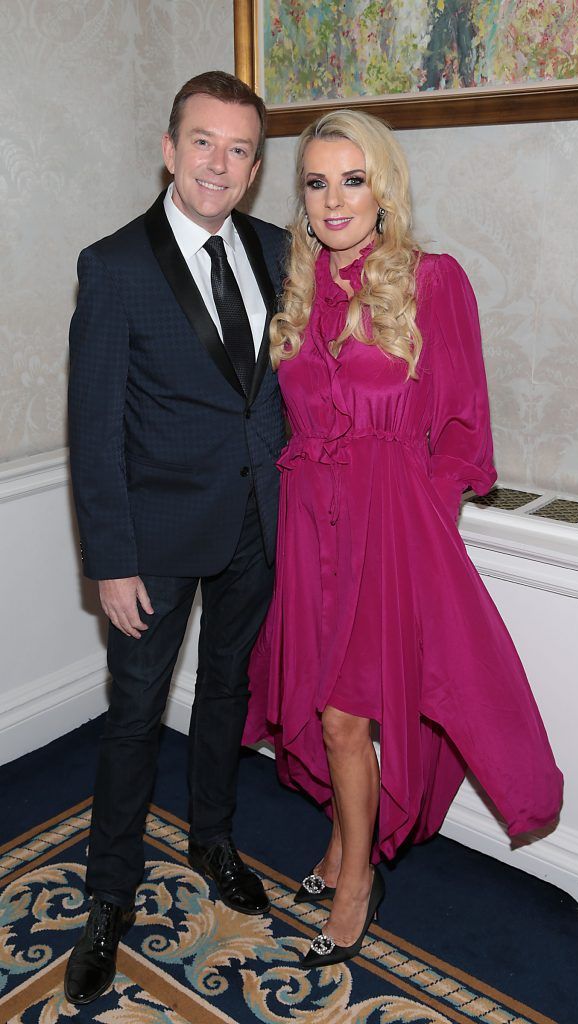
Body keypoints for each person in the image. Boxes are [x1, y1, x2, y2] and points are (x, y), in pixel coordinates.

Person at [243, 109, 563, 971]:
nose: (334, 199)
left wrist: (418, 518)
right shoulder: (300, 290)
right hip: (310, 529)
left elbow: (465, 430)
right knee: (321, 707)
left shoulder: (432, 280)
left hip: (391, 532)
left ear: (383, 188)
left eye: (352, 179)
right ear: (300, 196)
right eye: (315, 181)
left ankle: (357, 882)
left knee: (348, 720)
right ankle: (349, 845)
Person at [65, 71, 288, 1005]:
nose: (220, 164)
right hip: (152, 538)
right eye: (204, 142)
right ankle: (109, 897)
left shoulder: (280, 250)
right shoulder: (113, 264)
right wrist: (110, 560)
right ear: (169, 148)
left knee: (230, 691)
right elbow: (93, 424)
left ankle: (212, 840)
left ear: (253, 166)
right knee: (133, 717)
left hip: (255, 524)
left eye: (239, 150)